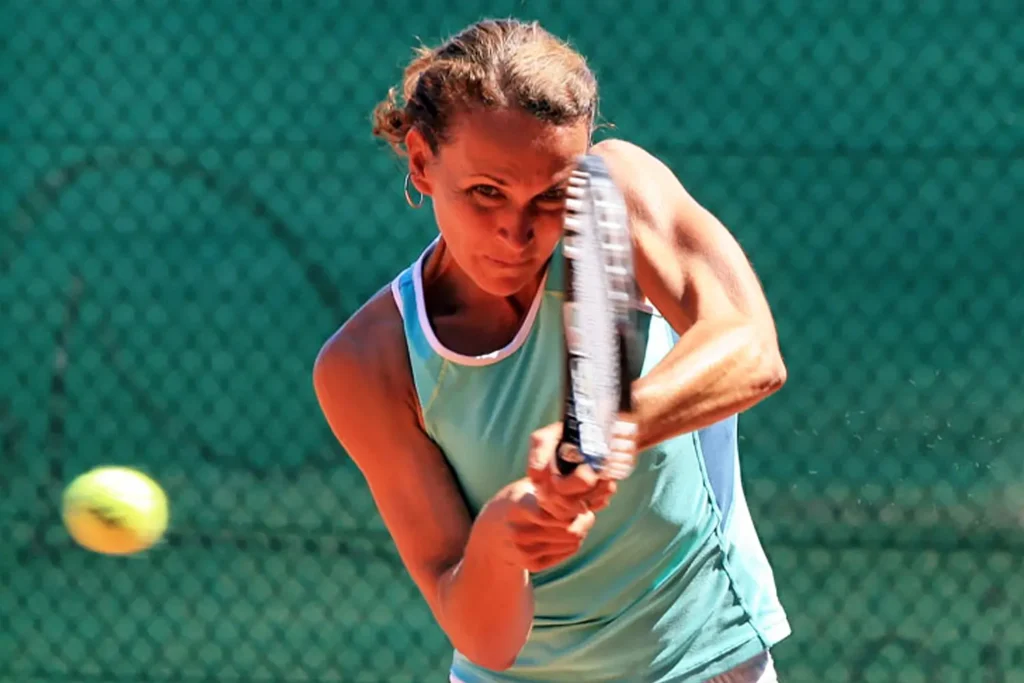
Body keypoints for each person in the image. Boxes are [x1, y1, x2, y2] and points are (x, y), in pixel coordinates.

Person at [313, 18, 790, 683]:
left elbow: (751, 349)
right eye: (487, 193)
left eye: (551, 195)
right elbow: (486, 639)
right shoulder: (367, 364)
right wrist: (501, 542)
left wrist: (604, 431)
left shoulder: (616, 195)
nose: (516, 232)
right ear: (421, 162)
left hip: (704, 662)